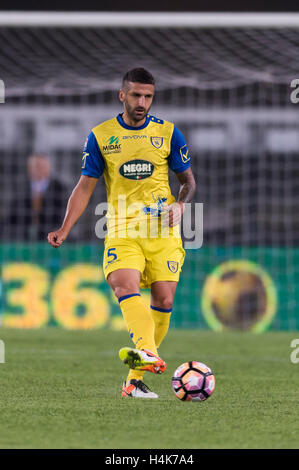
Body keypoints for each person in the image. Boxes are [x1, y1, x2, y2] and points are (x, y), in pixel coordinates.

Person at [48, 68, 196, 399]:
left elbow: (188, 182)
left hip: (163, 232)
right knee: (123, 285)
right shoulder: (101, 136)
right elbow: (84, 187)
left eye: (148, 96)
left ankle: (133, 382)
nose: (142, 102)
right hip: (121, 227)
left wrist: (182, 205)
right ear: (122, 95)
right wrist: (65, 226)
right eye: (136, 95)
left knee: (164, 300)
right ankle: (147, 349)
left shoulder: (169, 134)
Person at [5, 153, 66, 241]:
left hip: (50, 235)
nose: (40, 170)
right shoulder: (20, 187)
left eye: (42, 166)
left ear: (48, 168)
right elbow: (12, 215)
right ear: (29, 169)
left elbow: (63, 214)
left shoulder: (59, 188)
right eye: (37, 166)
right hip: (23, 236)